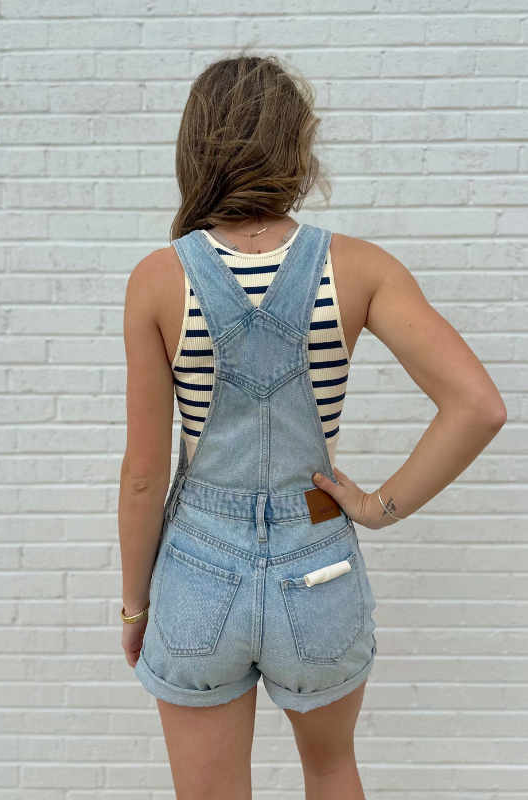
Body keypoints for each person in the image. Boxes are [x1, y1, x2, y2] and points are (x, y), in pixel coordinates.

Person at [118, 55, 507, 800]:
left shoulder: (158, 279)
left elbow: (142, 475)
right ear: (297, 145)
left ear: (195, 147)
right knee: (330, 771)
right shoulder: (360, 269)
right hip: (319, 555)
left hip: (198, 570)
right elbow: (478, 406)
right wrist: (377, 507)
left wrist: (137, 606)